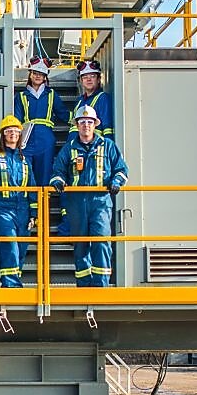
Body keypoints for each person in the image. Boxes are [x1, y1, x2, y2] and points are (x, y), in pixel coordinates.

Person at [49, 105, 128, 287]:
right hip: (76, 202)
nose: (86, 125)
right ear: (77, 125)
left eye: (89, 122)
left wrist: (117, 181)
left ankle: (101, 285)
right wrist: (58, 181)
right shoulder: (69, 148)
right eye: (82, 122)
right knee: (80, 244)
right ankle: (83, 285)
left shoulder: (107, 145)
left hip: (100, 201)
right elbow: (57, 171)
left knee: (101, 242)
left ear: (95, 125)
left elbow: (121, 169)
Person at [0, 115, 37, 288]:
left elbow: (31, 188)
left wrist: (34, 214)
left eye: (16, 131)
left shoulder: (24, 160)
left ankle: (12, 282)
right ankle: (11, 286)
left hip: (23, 210)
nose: (12, 134)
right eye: (8, 131)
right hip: (1, 209)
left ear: (20, 135)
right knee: (9, 246)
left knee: (21, 250)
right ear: (3, 135)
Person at [14, 56, 70, 188]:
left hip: (46, 138)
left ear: (45, 76)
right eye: (35, 73)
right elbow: (16, 119)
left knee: (45, 172)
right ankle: (30, 207)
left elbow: (63, 113)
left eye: (41, 74)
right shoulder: (21, 96)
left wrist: (79, 120)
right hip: (26, 137)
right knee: (25, 172)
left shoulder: (52, 94)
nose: (38, 76)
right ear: (30, 74)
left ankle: (43, 206)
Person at [68, 58, 114, 139]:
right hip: (76, 145)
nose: (88, 79)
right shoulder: (80, 100)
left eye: (92, 76)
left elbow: (107, 128)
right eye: (85, 77)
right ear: (81, 81)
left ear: (99, 79)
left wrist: (107, 148)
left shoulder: (103, 98)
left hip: (93, 147)